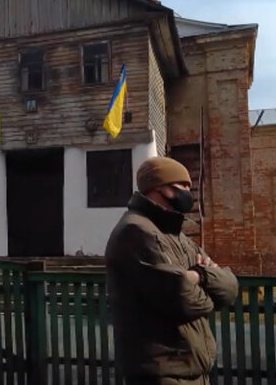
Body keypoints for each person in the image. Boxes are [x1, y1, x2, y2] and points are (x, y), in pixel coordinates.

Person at [105, 156, 239, 385]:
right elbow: (185, 301)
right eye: (182, 185)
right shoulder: (136, 231)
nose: (189, 191)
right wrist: (202, 278)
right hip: (161, 373)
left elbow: (229, 288)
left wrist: (198, 275)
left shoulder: (177, 235)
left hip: (193, 373)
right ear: (159, 187)